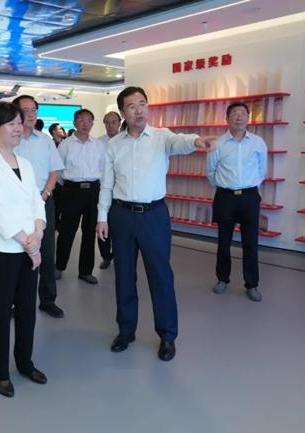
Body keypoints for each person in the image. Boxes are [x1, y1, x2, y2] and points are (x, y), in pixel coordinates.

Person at [96, 86, 215, 360]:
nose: (139, 110)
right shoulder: (114, 145)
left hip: (154, 216)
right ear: (123, 112)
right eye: (132, 106)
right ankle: (126, 330)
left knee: (161, 276)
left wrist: (197, 141)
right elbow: (107, 184)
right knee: (124, 275)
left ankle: (167, 335)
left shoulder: (161, 137)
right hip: (122, 215)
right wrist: (102, 217)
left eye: (142, 104)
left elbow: (180, 142)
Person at [0, 102, 47, 398]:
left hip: (29, 247)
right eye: (12, 123)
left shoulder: (24, 163)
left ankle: (25, 362)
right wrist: (29, 244)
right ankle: (0, 373)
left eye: (19, 122)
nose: (19, 127)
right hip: (0, 251)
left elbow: (36, 201)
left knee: (27, 310)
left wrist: (38, 232)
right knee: (1, 314)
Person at [207, 102, 267, 302]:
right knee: (223, 242)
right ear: (227, 119)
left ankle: (252, 284)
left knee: (250, 243)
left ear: (248, 118)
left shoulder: (258, 143)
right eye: (234, 114)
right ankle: (222, 279)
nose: (239, 117)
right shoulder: (218, 144)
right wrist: (226, 187)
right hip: (225, 197)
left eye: (242, 114)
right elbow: (211, 172)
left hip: (249, 197)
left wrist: (249, 186)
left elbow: (262, 170)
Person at [12, 95, 65, 318]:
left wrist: (45, 195)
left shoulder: (45, 140)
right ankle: (16, 302)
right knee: (18, 252)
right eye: (26, 110)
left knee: (46, 251)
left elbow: (55, 171)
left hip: (43, 201)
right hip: (16, 204)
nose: (31, 114)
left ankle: (47, 299)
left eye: (34, 110)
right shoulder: (9, 139)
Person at [55, 108, 103, 285]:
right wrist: (70, 186)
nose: (85, 124)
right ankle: (59, 266)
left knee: (90, 232)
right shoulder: (65, 145)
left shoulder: (98, 144)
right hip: (72, 191)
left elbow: (103, 168)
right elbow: (58, 171)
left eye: (89, 120)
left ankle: (85, 271)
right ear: (74, 123)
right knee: (67, 230)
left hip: (93, 191)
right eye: (81, 120)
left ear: (92, 123)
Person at [96, 111, 121, 270]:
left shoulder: (126, 141)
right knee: (102, 222)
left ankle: (119, 255)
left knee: (118, 226)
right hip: (102, 189)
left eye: (113, 122)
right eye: (107, 122)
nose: (110, 125)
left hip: (121, 191)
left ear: (119, 123)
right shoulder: (98, 143)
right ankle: (106, 256)